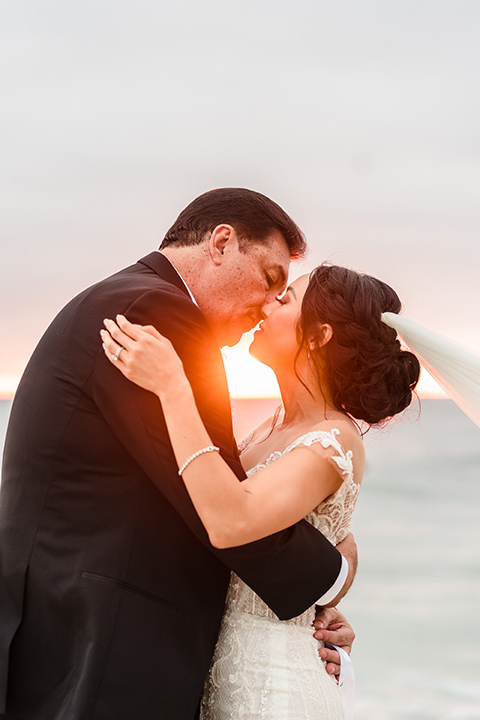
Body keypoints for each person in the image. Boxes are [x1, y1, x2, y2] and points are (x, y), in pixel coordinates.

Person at [0, 189, 356, 720]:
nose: (267, 307)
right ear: (221, 243)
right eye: (269, 277)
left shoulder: (126, 296)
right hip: (103, 643)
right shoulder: (162, 315)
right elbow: (226, 513)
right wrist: (335, 573)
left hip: (68, 627)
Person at [100, 264, 421, 719]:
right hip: (223, 672)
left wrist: (174, 387)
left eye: (286, 298)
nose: (268, 304)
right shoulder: (273, 426)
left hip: (274, 688)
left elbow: (232, 519)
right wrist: (339, 574)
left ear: (318, 335)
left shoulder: (334, 437)